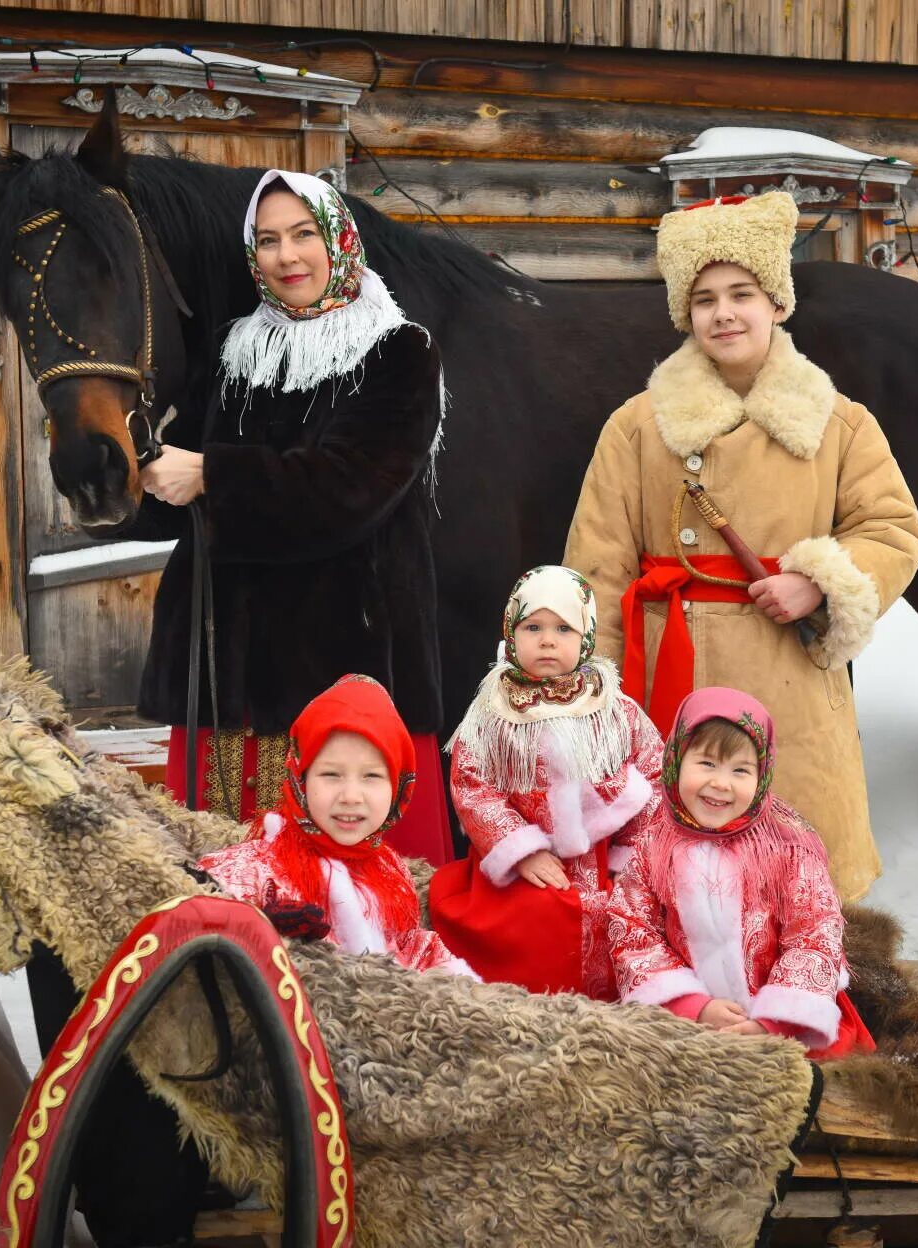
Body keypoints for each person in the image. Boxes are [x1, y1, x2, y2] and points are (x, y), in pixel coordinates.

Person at [563, 190, 918, 901]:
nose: (723, 313)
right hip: (671, 678)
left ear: (777, 303)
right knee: (674, 889)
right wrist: (596, 702)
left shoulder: (839, 425)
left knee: (796, 884)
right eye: (703, 299)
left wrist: (817, 582)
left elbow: (893, 530)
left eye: (742, 293)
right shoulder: (638, 427)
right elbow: (596, 567)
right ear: (683, 313)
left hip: (788, 676)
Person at [138, 168, 451, 864]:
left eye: (304, 234)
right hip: (233, 670)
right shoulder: (231, 354)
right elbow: (176, 492)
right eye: (269, 239)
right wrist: (136, 470)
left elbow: (352, 489)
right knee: (227, 865)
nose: (287, 257)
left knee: (349, 885)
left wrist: (211, 473)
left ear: (339, 239)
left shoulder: (398, 351)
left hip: (343, 655)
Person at [428, 565, 663, 999]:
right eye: (532, 626)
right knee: (531, 923)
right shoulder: (492, 712)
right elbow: (472, 786)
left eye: (564, 628)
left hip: (604, 861)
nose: (548, 640)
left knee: (626, 919)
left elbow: (653, 772)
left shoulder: (614, 708)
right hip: (525, 868)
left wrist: (631, 855)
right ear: (511, 633)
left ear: (587, 637)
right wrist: (522, 851)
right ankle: (533, 1011)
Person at [609, 687, 873, 1059]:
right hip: (685, 1020)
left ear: (762, 775)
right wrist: (691, 1005)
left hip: (780, 1022)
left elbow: (815, 931)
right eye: (706, 764)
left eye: (740, 770)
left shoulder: (786, 844)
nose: (721, 783)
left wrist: (773, 1021)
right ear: (675, 761)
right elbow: (632, 928)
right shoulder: (654, 841)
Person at [198, 675, 473, 976]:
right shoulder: (260, 866)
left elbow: (410, 946)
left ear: (398, 789)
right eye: (331, 775)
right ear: (300, 778)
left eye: (371, 777)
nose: (351, 797)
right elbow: (205, 903)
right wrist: (260, 926)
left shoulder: (392, 874)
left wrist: (459, 981)